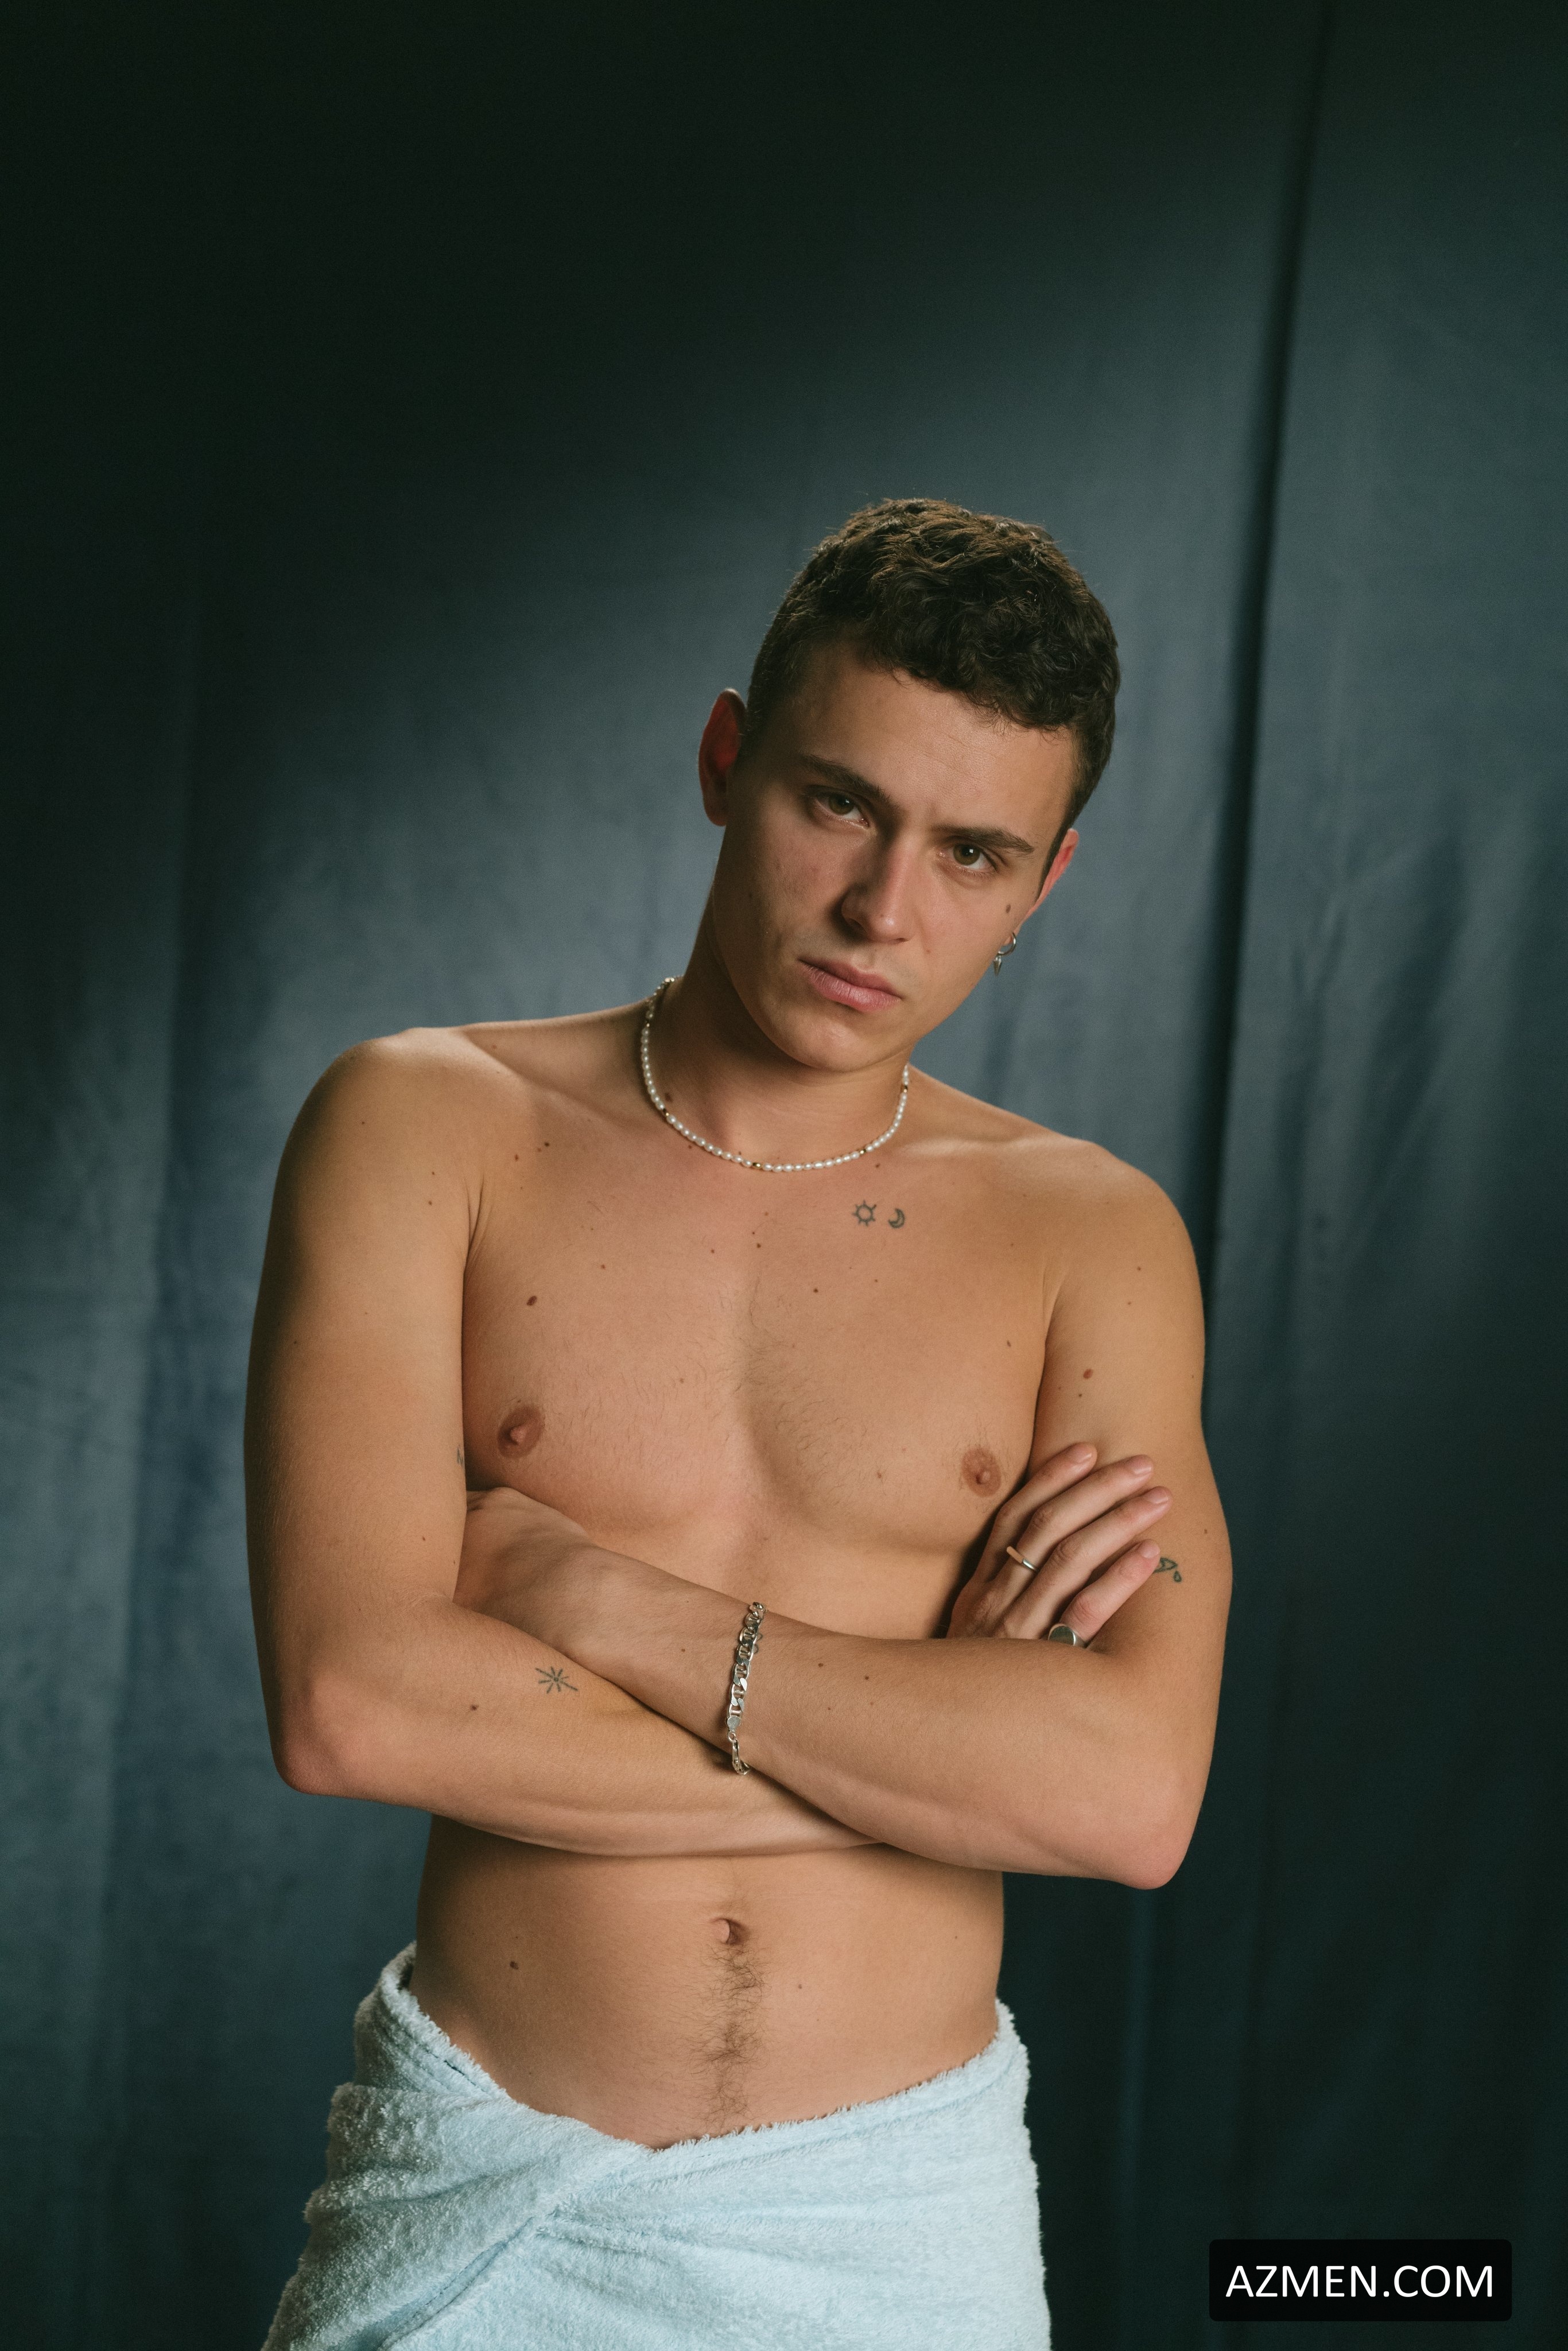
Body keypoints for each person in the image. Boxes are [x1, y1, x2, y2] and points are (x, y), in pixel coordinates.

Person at [246, 497, 1231, 2349]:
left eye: (971, 852)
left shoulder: (1089, 1237)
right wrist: (929, 1760)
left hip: (894, 2220)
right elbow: (352, 1702)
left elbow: (1126, 1794)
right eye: (837, 803)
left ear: (1044, 883)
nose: (882, 909)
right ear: (726, 760)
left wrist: (594, 1599)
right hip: (494, 2188)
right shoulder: (424, 1127)